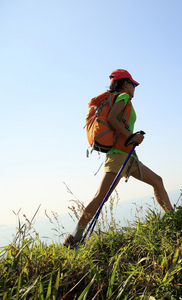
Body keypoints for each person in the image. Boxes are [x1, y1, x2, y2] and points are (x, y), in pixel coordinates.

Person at [64, 69, 173, 248]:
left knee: (157, 181)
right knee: (101, 197)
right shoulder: (122, 97)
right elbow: (114, 119)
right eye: (133, 84)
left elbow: (117, 122)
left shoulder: (119, 98)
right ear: (125, 83)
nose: (135, 87)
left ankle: (174, 218)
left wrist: (130, 138)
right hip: (118, 155)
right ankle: (74, 238)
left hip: (127, 156)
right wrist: (131, 137)